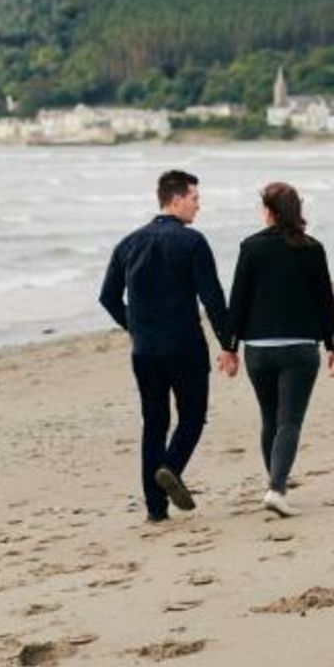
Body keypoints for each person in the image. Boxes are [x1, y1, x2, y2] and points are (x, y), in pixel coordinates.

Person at [98, 169, 235, 523]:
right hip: (185, 346)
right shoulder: (192, 242)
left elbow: (108, 297)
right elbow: (212, 297)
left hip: (145, 352)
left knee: (154, 424)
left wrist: (135, 327)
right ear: (175, 200)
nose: (198, 207)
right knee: (191, 417)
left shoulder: (128, 243)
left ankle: (155, 510)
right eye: (194, 199)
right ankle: (171, 468)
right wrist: (228, 343)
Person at [223, 181, 334, 517]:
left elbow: (238, 301)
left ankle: (275, 485)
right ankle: (276, 488)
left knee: (270, 419)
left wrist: (229, 347)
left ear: (270, 212)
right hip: (300, 349)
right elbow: (325, 301)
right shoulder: (312, 248)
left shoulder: (251, 247)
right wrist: (333, 344)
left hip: (258, 350)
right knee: (289, 421)